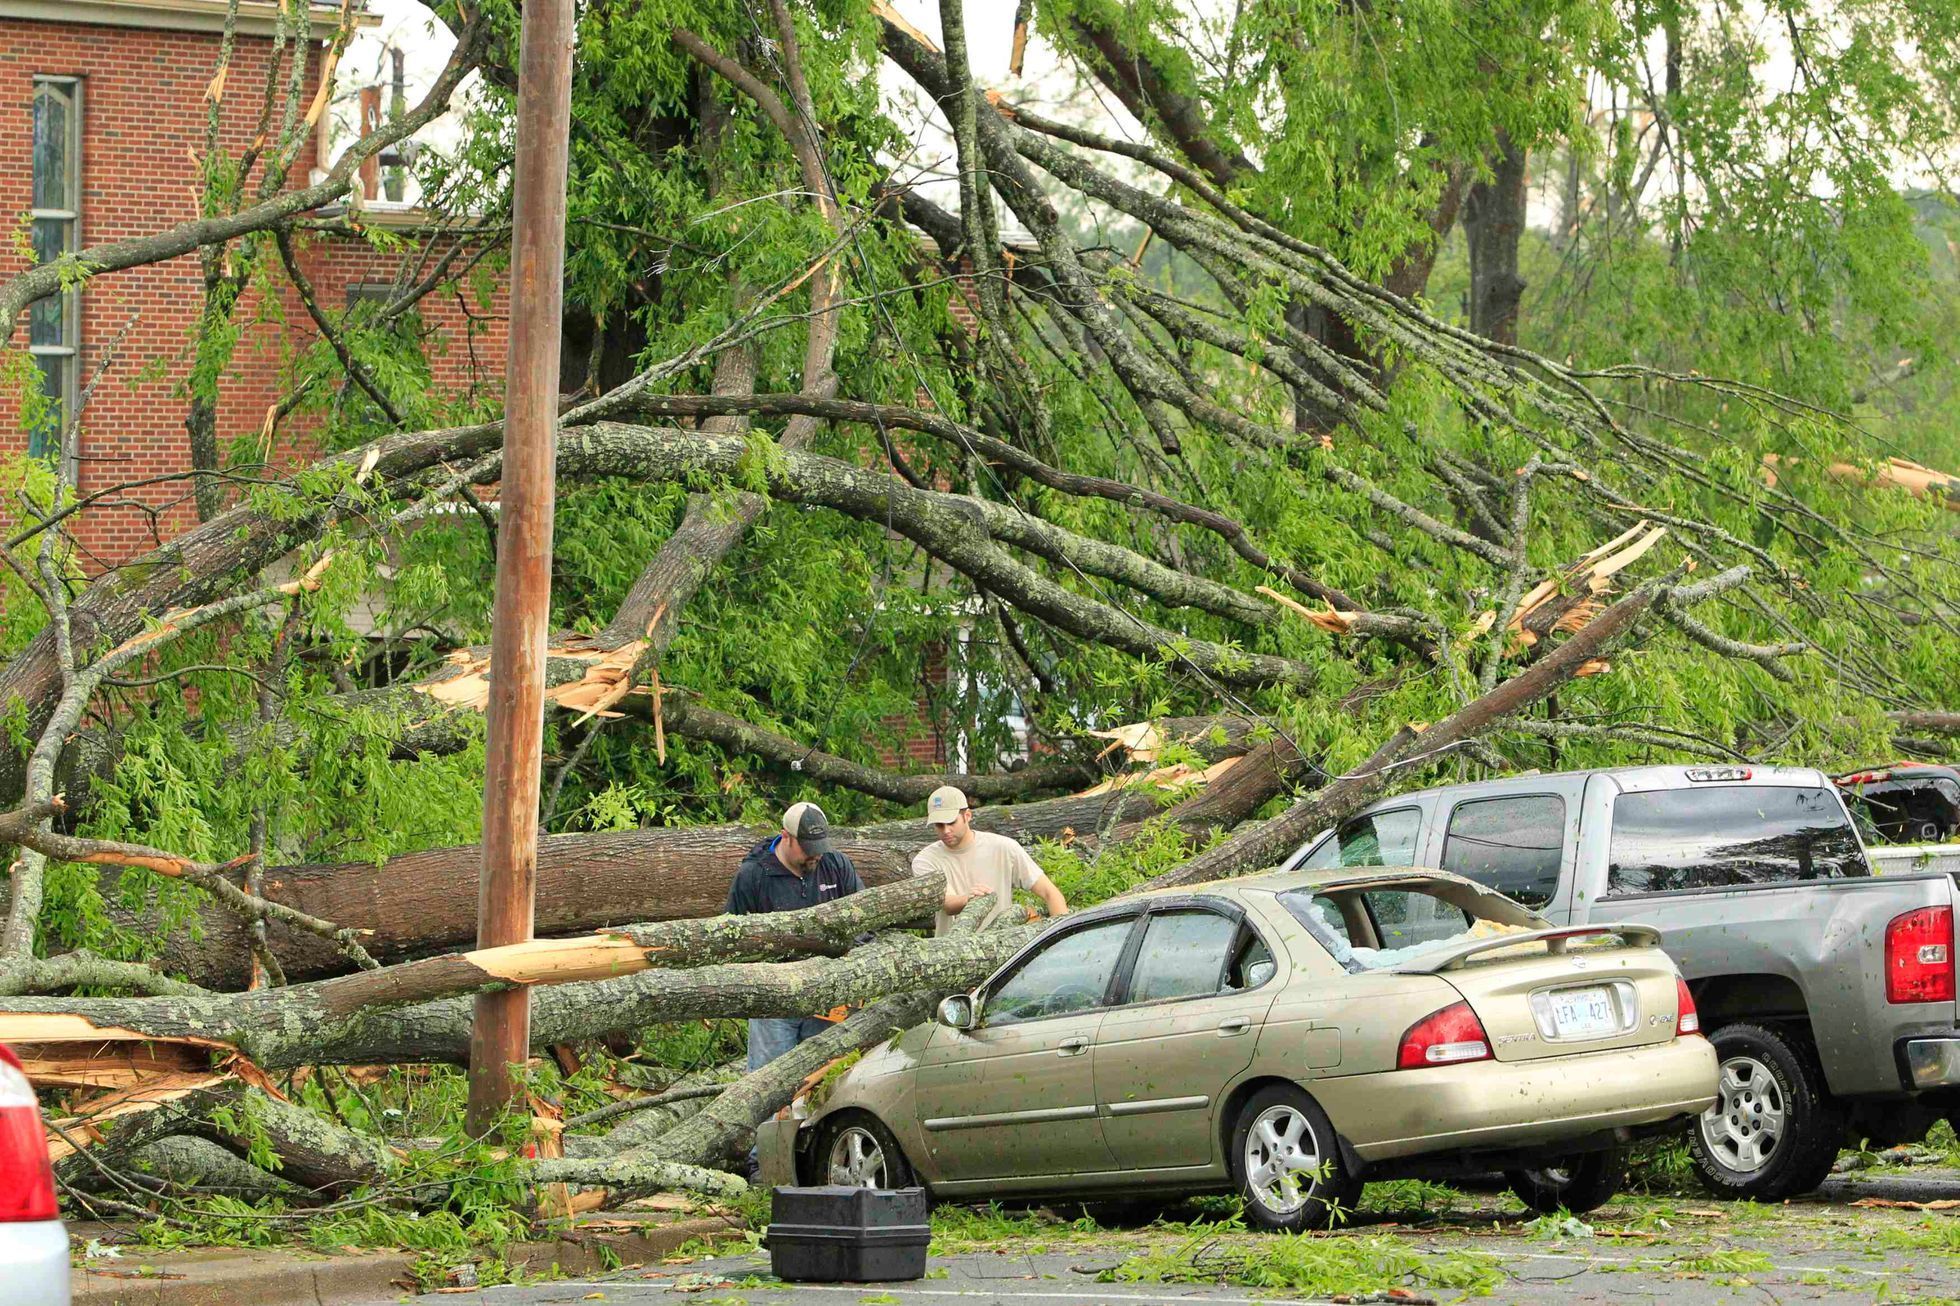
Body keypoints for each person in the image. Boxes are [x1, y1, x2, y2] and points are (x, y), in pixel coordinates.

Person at [725, 801, 864, 1072]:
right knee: (769, 1081)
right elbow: (733, 940)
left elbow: (864, 921)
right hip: (774, 1002)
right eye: (808, 849)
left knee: (828, 1079)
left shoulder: (836, 865)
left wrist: (851, 964)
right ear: (786, 836)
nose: (816, 856)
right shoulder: (753, 875)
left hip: (828, 994)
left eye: (820, 848)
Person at [913, 785, 1068, 935]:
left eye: (952, 822)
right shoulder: (925, 860)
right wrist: (969, 898)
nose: (946, 830)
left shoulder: (1005, 848)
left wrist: (1062, 940)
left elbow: (1050, 893)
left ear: (967, 816)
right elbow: (948, 904)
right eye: (939, 825)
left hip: (1004, 952)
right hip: (950, 953)